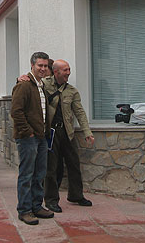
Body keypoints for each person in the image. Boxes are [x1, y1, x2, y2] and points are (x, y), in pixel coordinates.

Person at [43, 59, 94, 213]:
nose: (68, 73)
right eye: (65, 70)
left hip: (67, 132)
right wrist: (21, 79)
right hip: (50, 133)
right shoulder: (43, 85)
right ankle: (51, 200)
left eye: (69, 69)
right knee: (51, 167)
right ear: (56, 71)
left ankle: (76, 195)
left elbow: (79, 112)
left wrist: (87, 132)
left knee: (73, 163)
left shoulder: (72, 91)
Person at [11, 52, 54, 225]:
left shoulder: (40, 85)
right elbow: (16, 111)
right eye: (40, 66)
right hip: (28, 137)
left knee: (39, 174)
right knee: (27, 174)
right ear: (32, 65)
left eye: (45, 66)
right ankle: (24, 210)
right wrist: (27, 131)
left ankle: (37, 206)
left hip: (41, 136)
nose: (43, 69)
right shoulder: (24, 85)